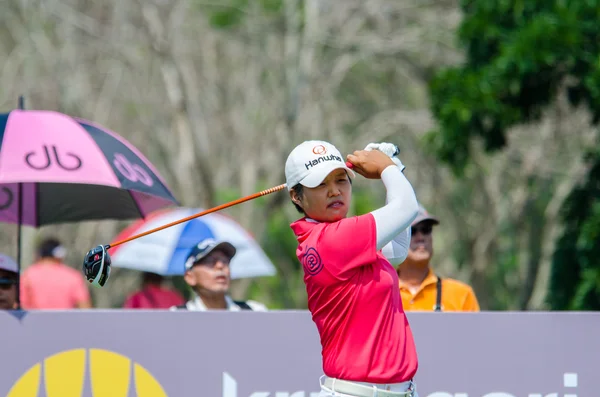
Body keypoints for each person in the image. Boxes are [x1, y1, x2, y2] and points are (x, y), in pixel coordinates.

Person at [287, 140, 420, 397]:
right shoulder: (331, 240)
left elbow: (399, 249)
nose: (334, 191)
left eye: (341, 180)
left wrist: (395, 167)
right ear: (296, 195)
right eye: (320, 184)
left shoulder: (349, 242)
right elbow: (406, 208)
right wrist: (387, 167)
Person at [398, 205, 480, 312]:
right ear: (394, 239)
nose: (421, 237)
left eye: (426, 230)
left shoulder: (462, 295)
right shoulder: (378, 294)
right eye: (412, 231)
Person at [171, 238, 268, 311]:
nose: (220, 266)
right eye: (210, 262)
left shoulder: (254, 311)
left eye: (225, 261)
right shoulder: (176, 316)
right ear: (190, 277)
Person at [21, 238, 92, 309]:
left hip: (34, 319)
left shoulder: (27, 275)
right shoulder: (73, 276)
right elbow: (84, 306)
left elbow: (22, 305)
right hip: (67, 319)